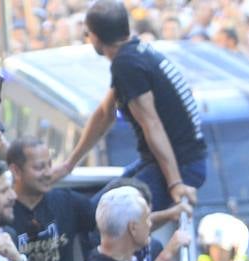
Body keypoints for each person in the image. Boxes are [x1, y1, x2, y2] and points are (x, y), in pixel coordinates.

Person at [57, 0, 207, 211]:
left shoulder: (127, 65)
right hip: (167, 161)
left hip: (180, 166)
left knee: (105, 221)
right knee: (92, 211)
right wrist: (68, 165)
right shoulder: (134, 52)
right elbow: (103, 115)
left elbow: (151, 124)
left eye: (88, 33)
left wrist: (175, 184)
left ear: (96, 37)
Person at [6, 137, 95, 261]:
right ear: (16, 171)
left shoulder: (67, 202)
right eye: (39, 167)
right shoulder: (4, 213)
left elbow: (110, 220)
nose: (48, 173)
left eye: (49, 165)